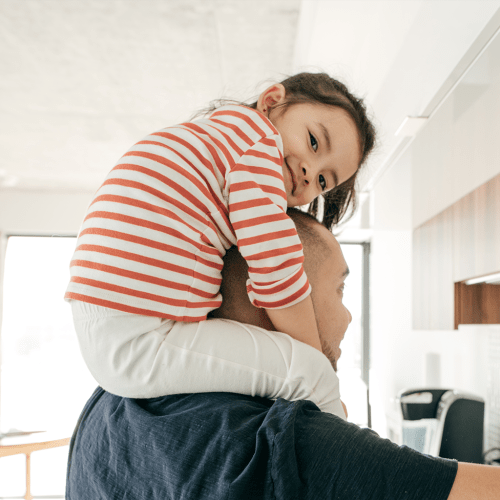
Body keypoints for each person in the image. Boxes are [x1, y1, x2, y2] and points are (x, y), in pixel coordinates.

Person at [66, 209, 500, 499]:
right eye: (340, 289)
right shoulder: (288, 442)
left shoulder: (107, 403)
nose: (348, 316)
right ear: (276, 293)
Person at [65, 72, 376, 414]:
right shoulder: (256, 148)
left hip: (108, 322)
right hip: (138, 336)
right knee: (309, 374)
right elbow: (278, 273)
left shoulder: (220, 139)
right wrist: (316, 359)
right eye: (314, 142)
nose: (308, 172)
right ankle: (342, 454)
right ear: (272, 102)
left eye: (321, 180)